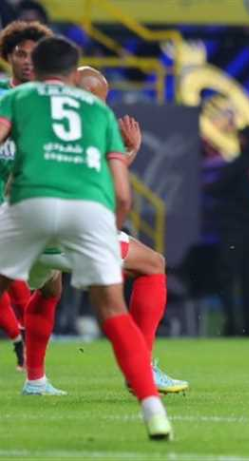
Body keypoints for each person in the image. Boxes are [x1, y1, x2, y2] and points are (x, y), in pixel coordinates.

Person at [0, 36, 172, 439]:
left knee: (33, 286)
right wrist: (104, 235)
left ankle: (35, 378)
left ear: (36, 68)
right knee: (114, 304)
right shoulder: (95, 113)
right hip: (86, 217)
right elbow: (122, 193)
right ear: (73, 74)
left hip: (29, 209)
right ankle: (152, 408)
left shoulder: (19, 98)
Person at [20, 65, 188, 395]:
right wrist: (130, 152)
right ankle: (142, 367)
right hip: (69, 230)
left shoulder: (35, 119)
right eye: (99, 98)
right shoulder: (86, 128)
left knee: (49, 288)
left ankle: (35, 380)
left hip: (25, 229)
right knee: (153, 264)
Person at [0, 19, 53, 370]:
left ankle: (35, 372)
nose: (28, 61)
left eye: (36, 55)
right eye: (20, 54)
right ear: (8, 57)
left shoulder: (56, 102)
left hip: (34, 205)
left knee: (50, 287)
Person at [208, 125, 249, 336]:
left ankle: (231, 325)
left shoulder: (238, 164)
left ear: (242, 139)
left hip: (234, 228)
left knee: (229, 277)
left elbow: (216, 188)